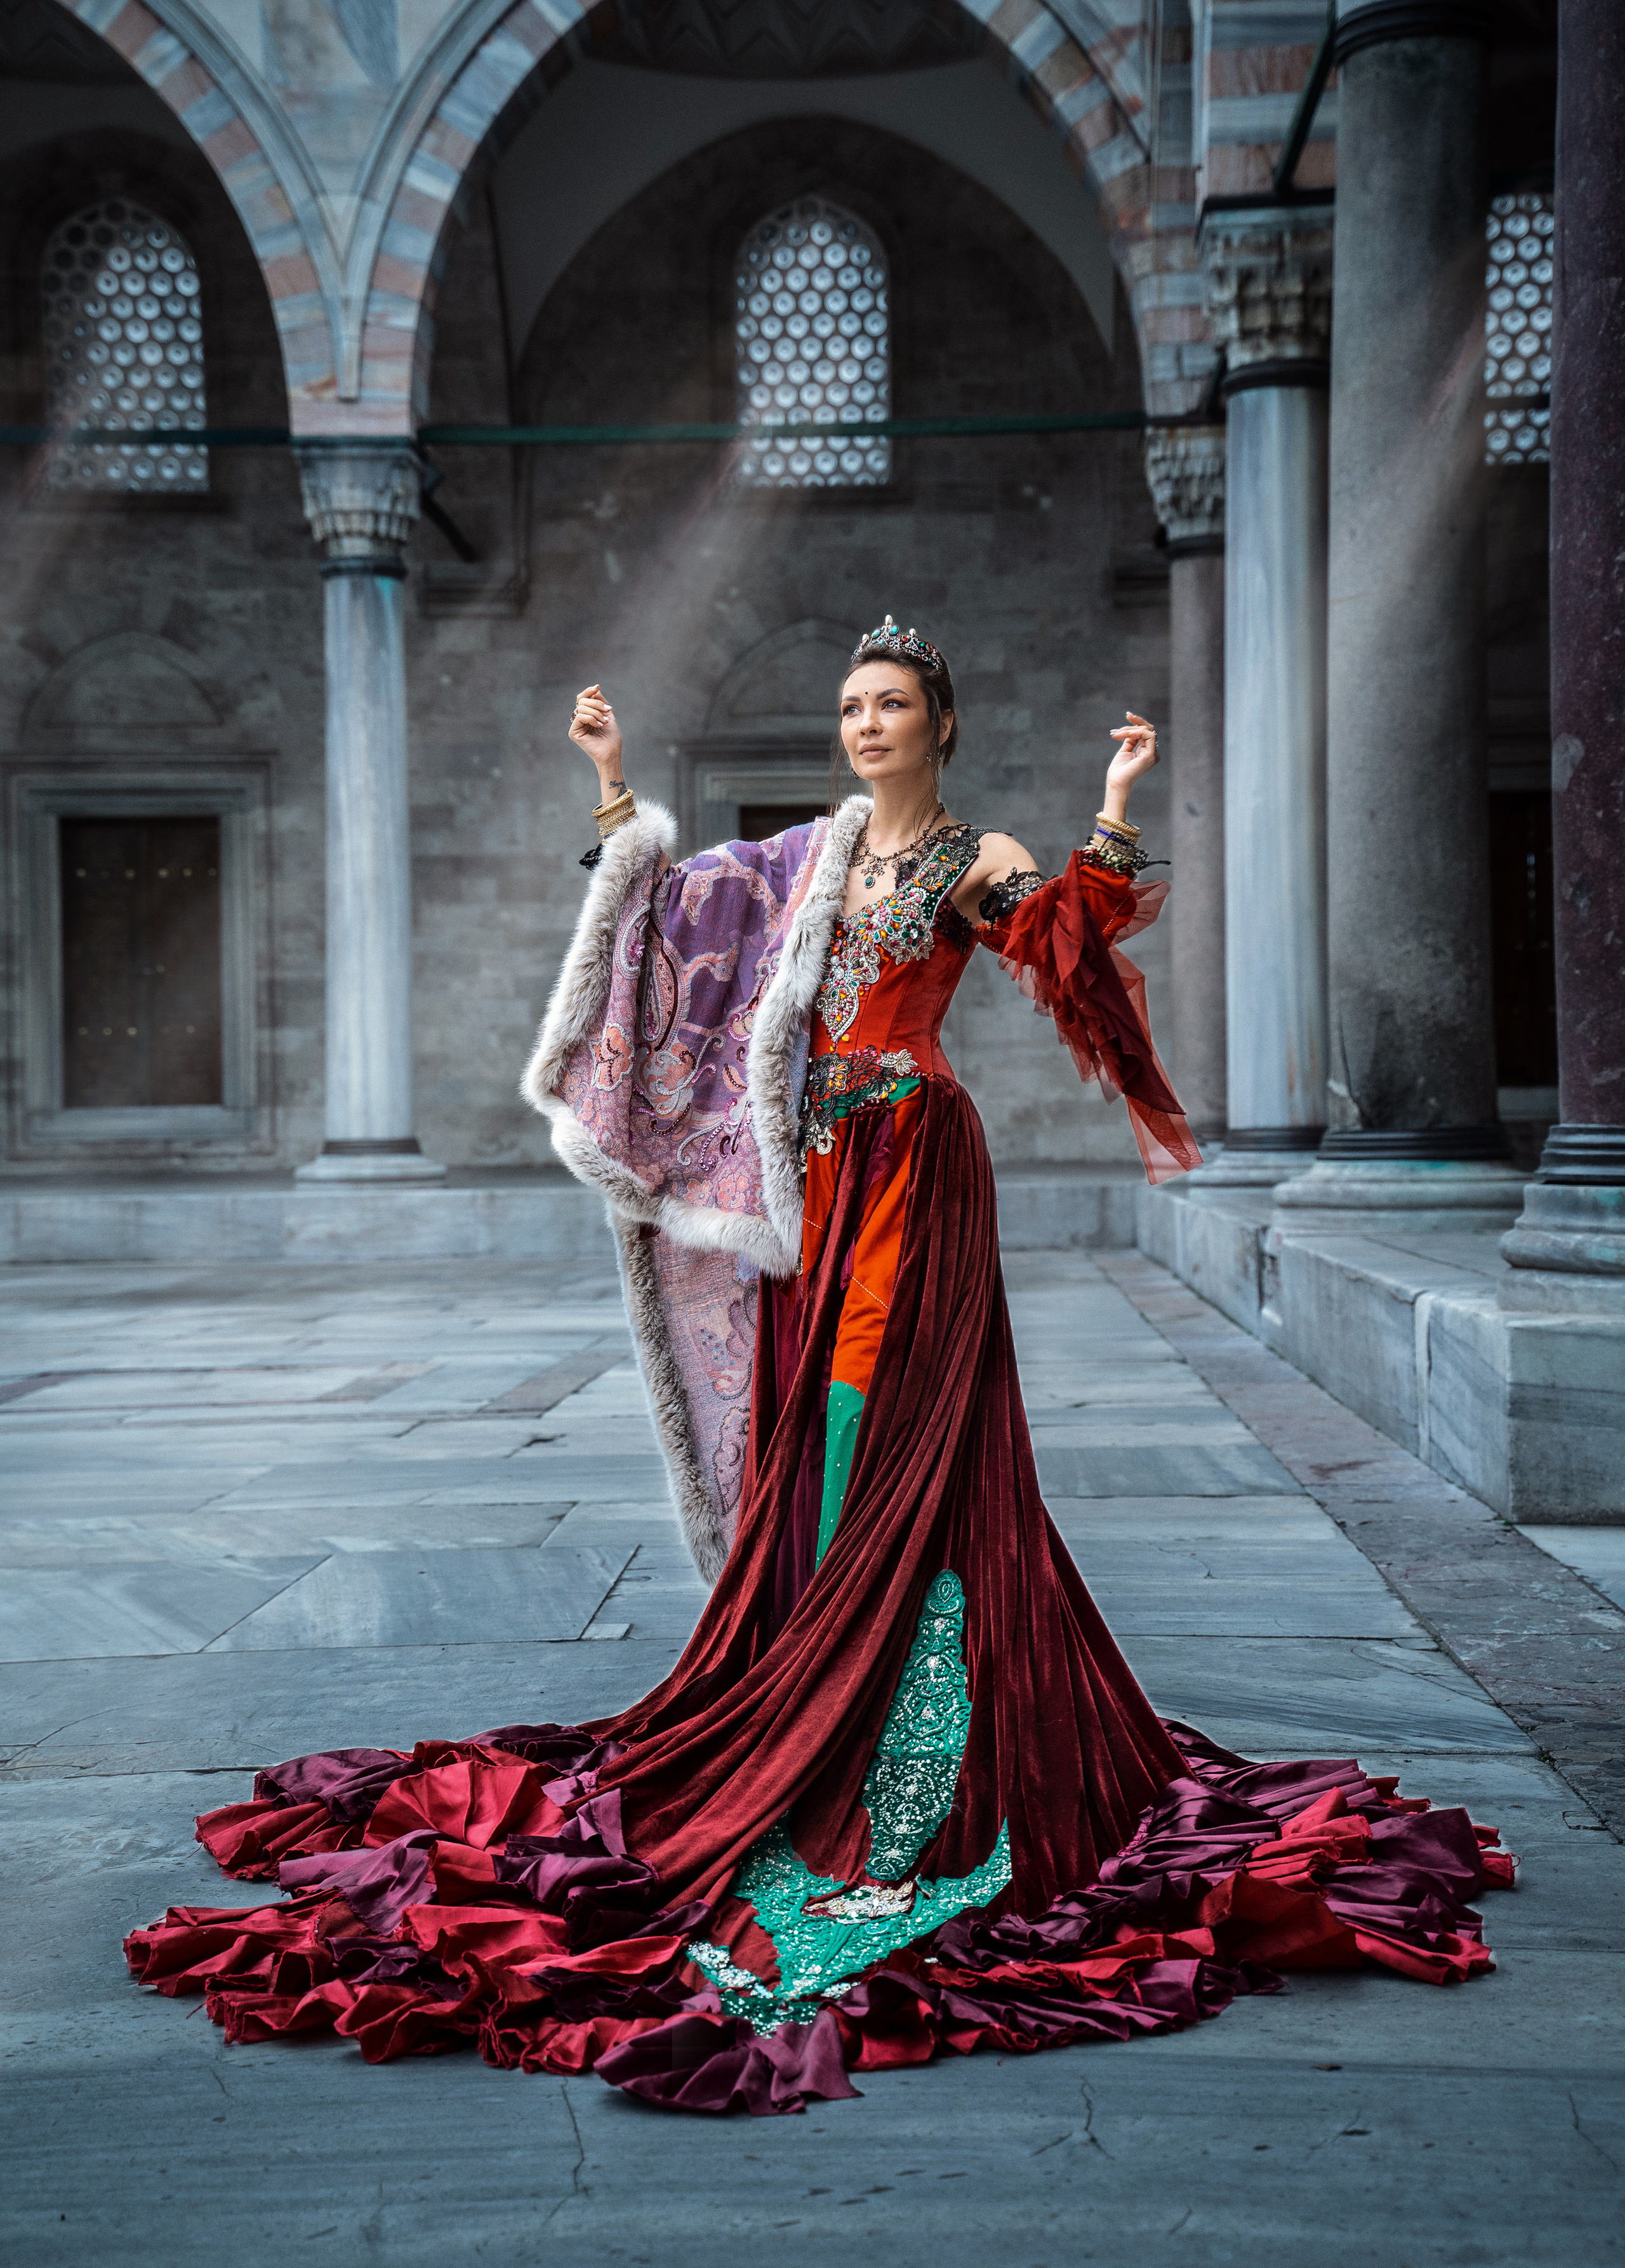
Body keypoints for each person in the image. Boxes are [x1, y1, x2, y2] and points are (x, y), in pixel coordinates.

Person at [126, 618, 1512, 2114]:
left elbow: (1063, 942)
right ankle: (807, 1681)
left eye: (891, 704)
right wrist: (610, 787)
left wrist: (1112, 811)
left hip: (915, 1162)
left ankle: (891, 1735)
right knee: (805, 1427)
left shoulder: (968, 859)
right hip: (810, 1180)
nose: (864, 724)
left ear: (940, 721)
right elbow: (664, 920)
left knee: (876, 1422)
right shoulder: (801, 861)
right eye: (850, 705)